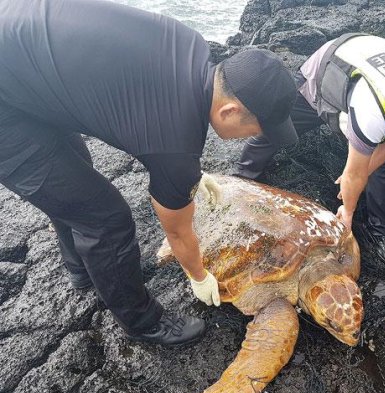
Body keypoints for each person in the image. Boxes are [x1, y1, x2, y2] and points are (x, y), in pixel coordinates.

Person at [0, 0, 297, 345]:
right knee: (106, 219)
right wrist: (199, 276)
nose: (256, 138)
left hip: (21, 49)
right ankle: (142, 323)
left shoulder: (193, 45)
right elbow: (179, 232)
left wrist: (192, 177)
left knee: (73, 180)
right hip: (9, 100)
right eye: (258, 129)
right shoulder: (176, 145)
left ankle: (83, 270)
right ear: (230, 111)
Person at [235, 33, 385, 266]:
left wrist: (368, 166)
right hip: (330, 71)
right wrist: (348, 211)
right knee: (278, 126)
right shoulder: (374, 110)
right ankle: (242, 177)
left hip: (371, 71)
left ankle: (379, 232)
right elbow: (354, 173)